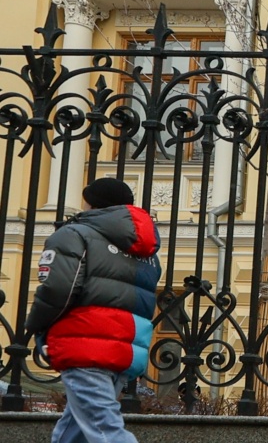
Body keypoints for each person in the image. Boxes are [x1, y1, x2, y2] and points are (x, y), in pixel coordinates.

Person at [27, 177, 161, 443]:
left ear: (92, 203)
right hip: (124, 347)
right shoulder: (148, 251)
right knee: (75, 429)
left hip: (84, 343)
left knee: (104, 430)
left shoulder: (73, 234)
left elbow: (57, 289)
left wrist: (36, 325)